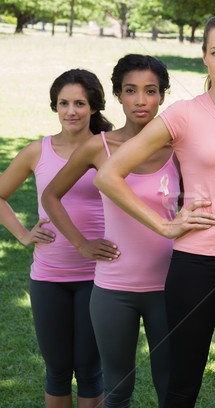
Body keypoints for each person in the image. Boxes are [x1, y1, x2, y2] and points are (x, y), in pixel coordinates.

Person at [93, 13, 215, 408]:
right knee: (183, 382)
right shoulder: (183, 114)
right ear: (204, 57)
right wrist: (165, 226)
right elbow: (109, 174)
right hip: (195, 264)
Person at [42, 54, 177, 407]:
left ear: (162, 95)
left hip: (170, 286)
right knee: (117, 391)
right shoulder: (98, 147)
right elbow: (51, 195)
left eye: (150, 91)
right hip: (114, 290)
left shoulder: (178, 148)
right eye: (130, 90)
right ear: (118, 95)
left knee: (172, 388)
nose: (140, 100)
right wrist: (81, 245)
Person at [0, 69, 113, 408]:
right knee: (58, 369)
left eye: (80, 103)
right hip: (49, 276)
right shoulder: (38, 152)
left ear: (94, 106)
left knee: (90, 368)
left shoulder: (109, 150)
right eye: (63, 103)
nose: (71, 111)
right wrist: (22, 234)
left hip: (99, 276)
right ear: (54, 106)